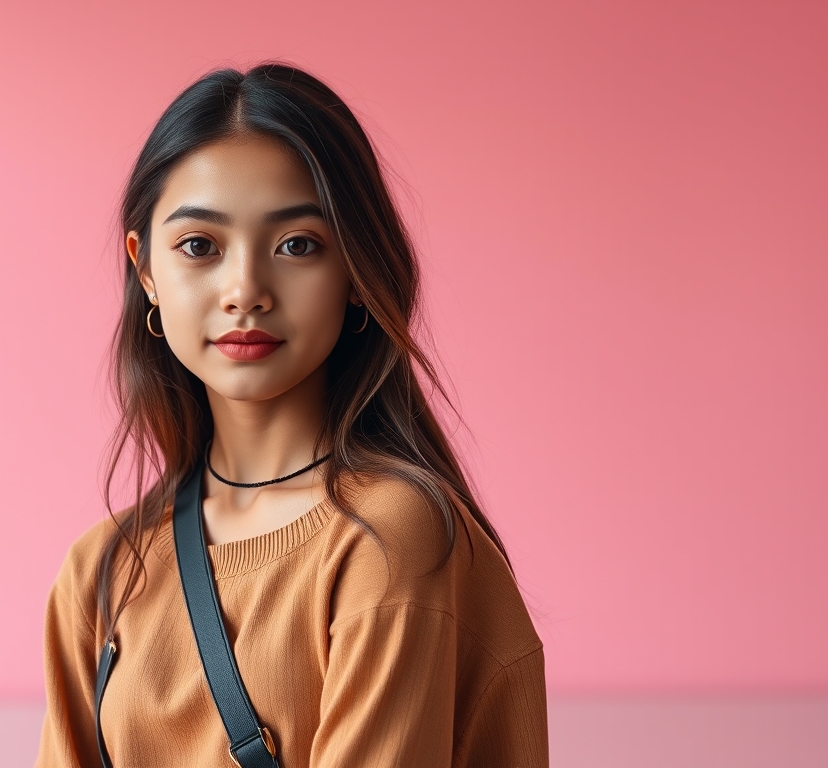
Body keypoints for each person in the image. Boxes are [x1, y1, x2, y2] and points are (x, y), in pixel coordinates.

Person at [35, 62, 547, 768]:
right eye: (199, 246)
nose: (245, 289)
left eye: (298, 245)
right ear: (145, 268)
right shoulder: (101, 572)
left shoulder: (389, 540)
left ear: (357, 270)